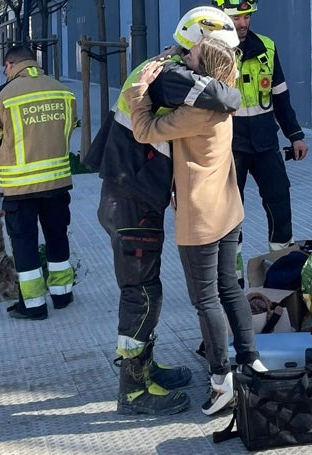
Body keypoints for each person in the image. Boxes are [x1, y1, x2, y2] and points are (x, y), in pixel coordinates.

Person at [84, 7, 242, 415]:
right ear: (198, 45)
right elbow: (226, 96)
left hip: (131, 194)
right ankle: (133, 389)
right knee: (140, 294)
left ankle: (145, 367)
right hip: (130, 199)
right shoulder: (171, 75)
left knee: (146, 289)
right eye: (219, 52)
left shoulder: (164, 65)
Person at [126, 35, 266, 416]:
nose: (187, 56)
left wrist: (139, 93)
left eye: (194, 55)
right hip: (228, 209)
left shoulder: (195, 113)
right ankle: (251, 361)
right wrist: (178, 58)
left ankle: (221, 380)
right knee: (229, 287)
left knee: (205, 300)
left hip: (201, 217)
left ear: (205, 71)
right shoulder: (227, 94)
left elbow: (145, 130)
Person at [0, 45, 78, 321]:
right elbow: (71, 127)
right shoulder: (62, 91)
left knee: (25, 244)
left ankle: (33, 306)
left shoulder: (4, 96)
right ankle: (63, 294)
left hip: (20, 188)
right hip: (57, 182)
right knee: (57, 236)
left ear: (10, 64)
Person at [212, 0, 309, 286]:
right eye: (236, 18)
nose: (242, 23)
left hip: (265, 142)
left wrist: (295, 135)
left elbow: (280, 96)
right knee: (230, 212)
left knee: (280, 203)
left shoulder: (266, 46)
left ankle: (282, 271)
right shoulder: (212, 51)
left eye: (246, 16)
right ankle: (232, 277)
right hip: (230, 145)